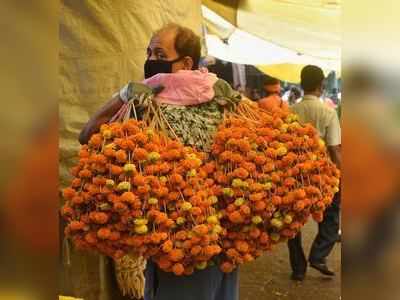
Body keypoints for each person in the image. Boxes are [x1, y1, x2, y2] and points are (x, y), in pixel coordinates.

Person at [79, 23, 241, 300]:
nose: (151, 61)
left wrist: (121, 98)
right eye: (149, 53)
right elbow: (88, 136)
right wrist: (124, 97)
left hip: (195, 243)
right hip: (191, 240)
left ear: (186, 62)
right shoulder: (154, 106)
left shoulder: (219, 107)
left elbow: (87, 133)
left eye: (158, 54)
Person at [288, 65, 341, 281]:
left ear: (301, 84)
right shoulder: (328, 112)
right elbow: (334, 148)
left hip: (295, 173)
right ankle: (318, 256)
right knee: (331, 215)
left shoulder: (291, 111)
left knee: (292, 222)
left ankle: (298, 268)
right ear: (321, 85)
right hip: (322, 174)